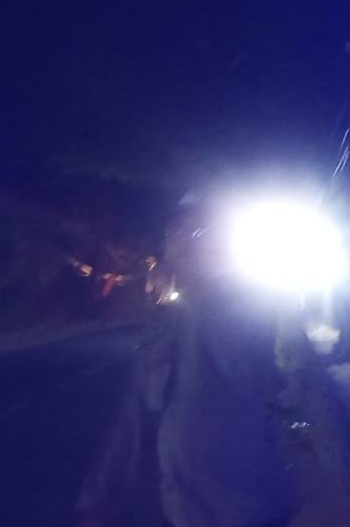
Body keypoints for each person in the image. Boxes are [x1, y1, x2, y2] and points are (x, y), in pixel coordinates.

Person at [76, 203, 297, 527]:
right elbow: (134, 419)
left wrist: (347, 480)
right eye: (175, 232)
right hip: (184, 511)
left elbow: (308, 387)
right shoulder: (166, 328)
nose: (182, 242)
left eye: (196, 231)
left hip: (254, 508)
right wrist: (100, 497)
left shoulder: (257, 313)